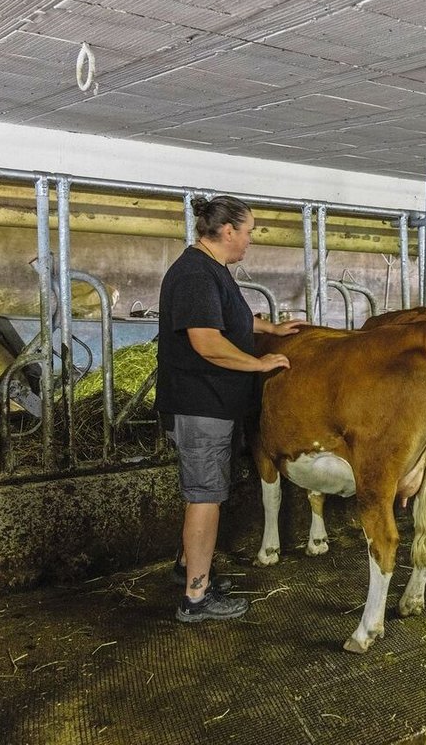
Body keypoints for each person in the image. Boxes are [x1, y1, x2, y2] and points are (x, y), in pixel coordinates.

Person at [155, 194, 301, 623]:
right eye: (250, 230)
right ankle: (195, 598)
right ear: (228, 231)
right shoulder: (196, 275)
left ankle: (188, 569)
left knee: (207, 493)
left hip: (212, 404)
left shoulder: (210, 270)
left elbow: (228, 318)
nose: (251, 240)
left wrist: (269, 327)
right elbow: (207, 341)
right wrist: (258, 362)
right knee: (205, 498)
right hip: (201, 406)